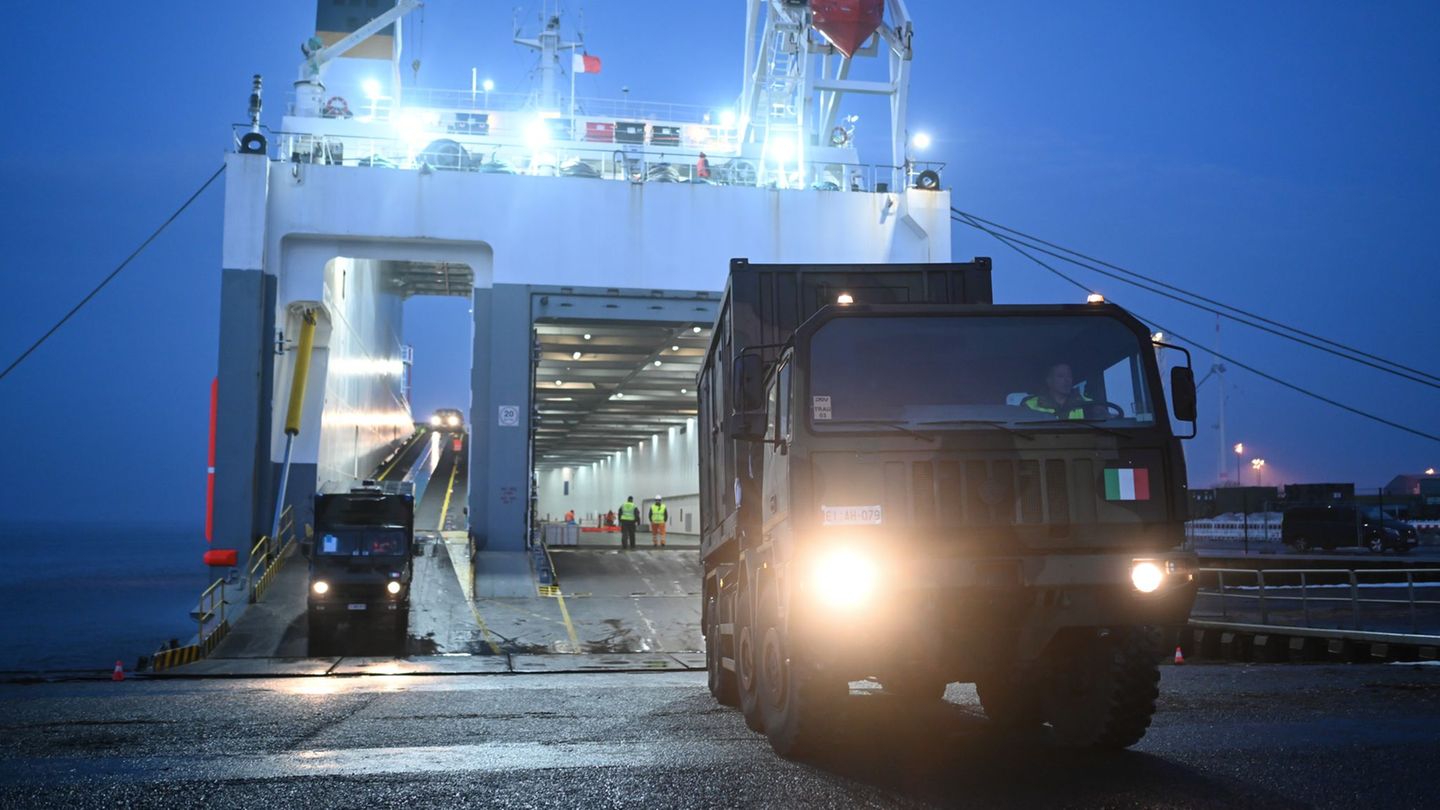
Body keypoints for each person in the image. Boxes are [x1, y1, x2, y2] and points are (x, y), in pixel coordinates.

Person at [1021, 362, 1091, 420]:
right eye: (1060, 376)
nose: (1067, 380)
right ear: (1049, 381)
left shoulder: (1088, 404)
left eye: (1069, 376)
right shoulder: (1030, 406)